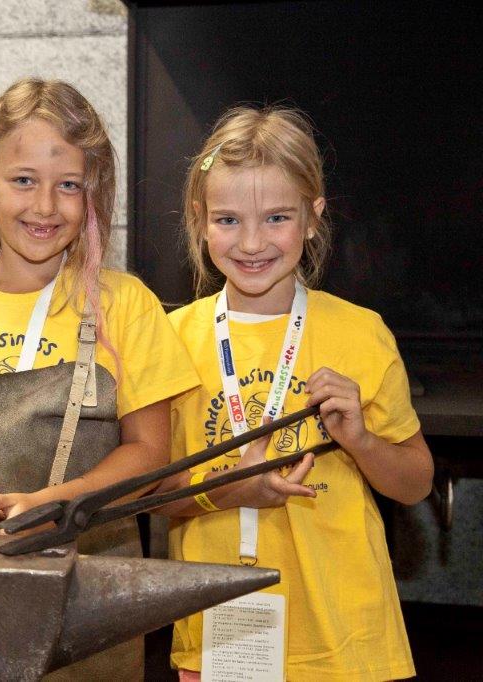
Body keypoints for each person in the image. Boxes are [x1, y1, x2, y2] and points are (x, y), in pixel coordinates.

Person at [0, 78, 199, 679]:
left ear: (93, 197)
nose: (45, 207)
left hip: (90, 604)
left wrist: (53, 505)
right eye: (23, 180)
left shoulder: (122, 307)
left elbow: (153, 453)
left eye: (68, 186)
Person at [159, 106, 433, 681]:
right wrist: (231, 489)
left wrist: (360, 440)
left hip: (348, 645)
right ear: (200, 220)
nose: (252, 242)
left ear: (313, 217)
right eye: (228, 220)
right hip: (218, 640)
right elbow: (154, 499)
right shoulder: (172, 339)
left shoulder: (361, 332)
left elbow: (415, 483)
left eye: (277, 218)